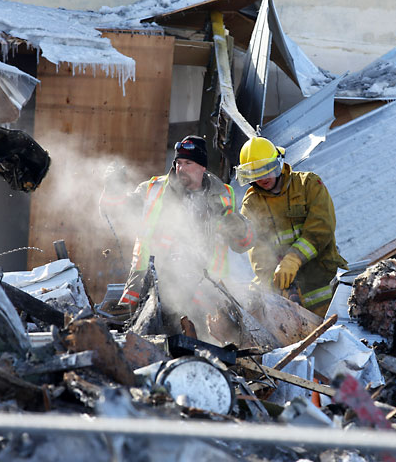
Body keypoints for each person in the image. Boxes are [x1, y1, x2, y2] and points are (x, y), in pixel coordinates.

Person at [110, 135, 253, 329]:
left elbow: (243, 244)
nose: (180, 168)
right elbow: (115, 211)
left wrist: (235, 224)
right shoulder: (154, 189)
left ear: (202, 167)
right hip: (153, 285)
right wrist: (113, 189)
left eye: (188, 163)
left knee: (200, 341)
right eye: (178, 162)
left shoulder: (223, 194)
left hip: (206, 290)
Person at [236, 136, 347, 317]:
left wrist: (293, 259)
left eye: (266, 170)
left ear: (278, 163)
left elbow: (321, 228)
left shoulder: (308, 185)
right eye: (255, 174)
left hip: (327, 289)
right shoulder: (251, 205)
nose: (262, 178)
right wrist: (279, 286)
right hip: (290, 305)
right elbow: (259, 257)